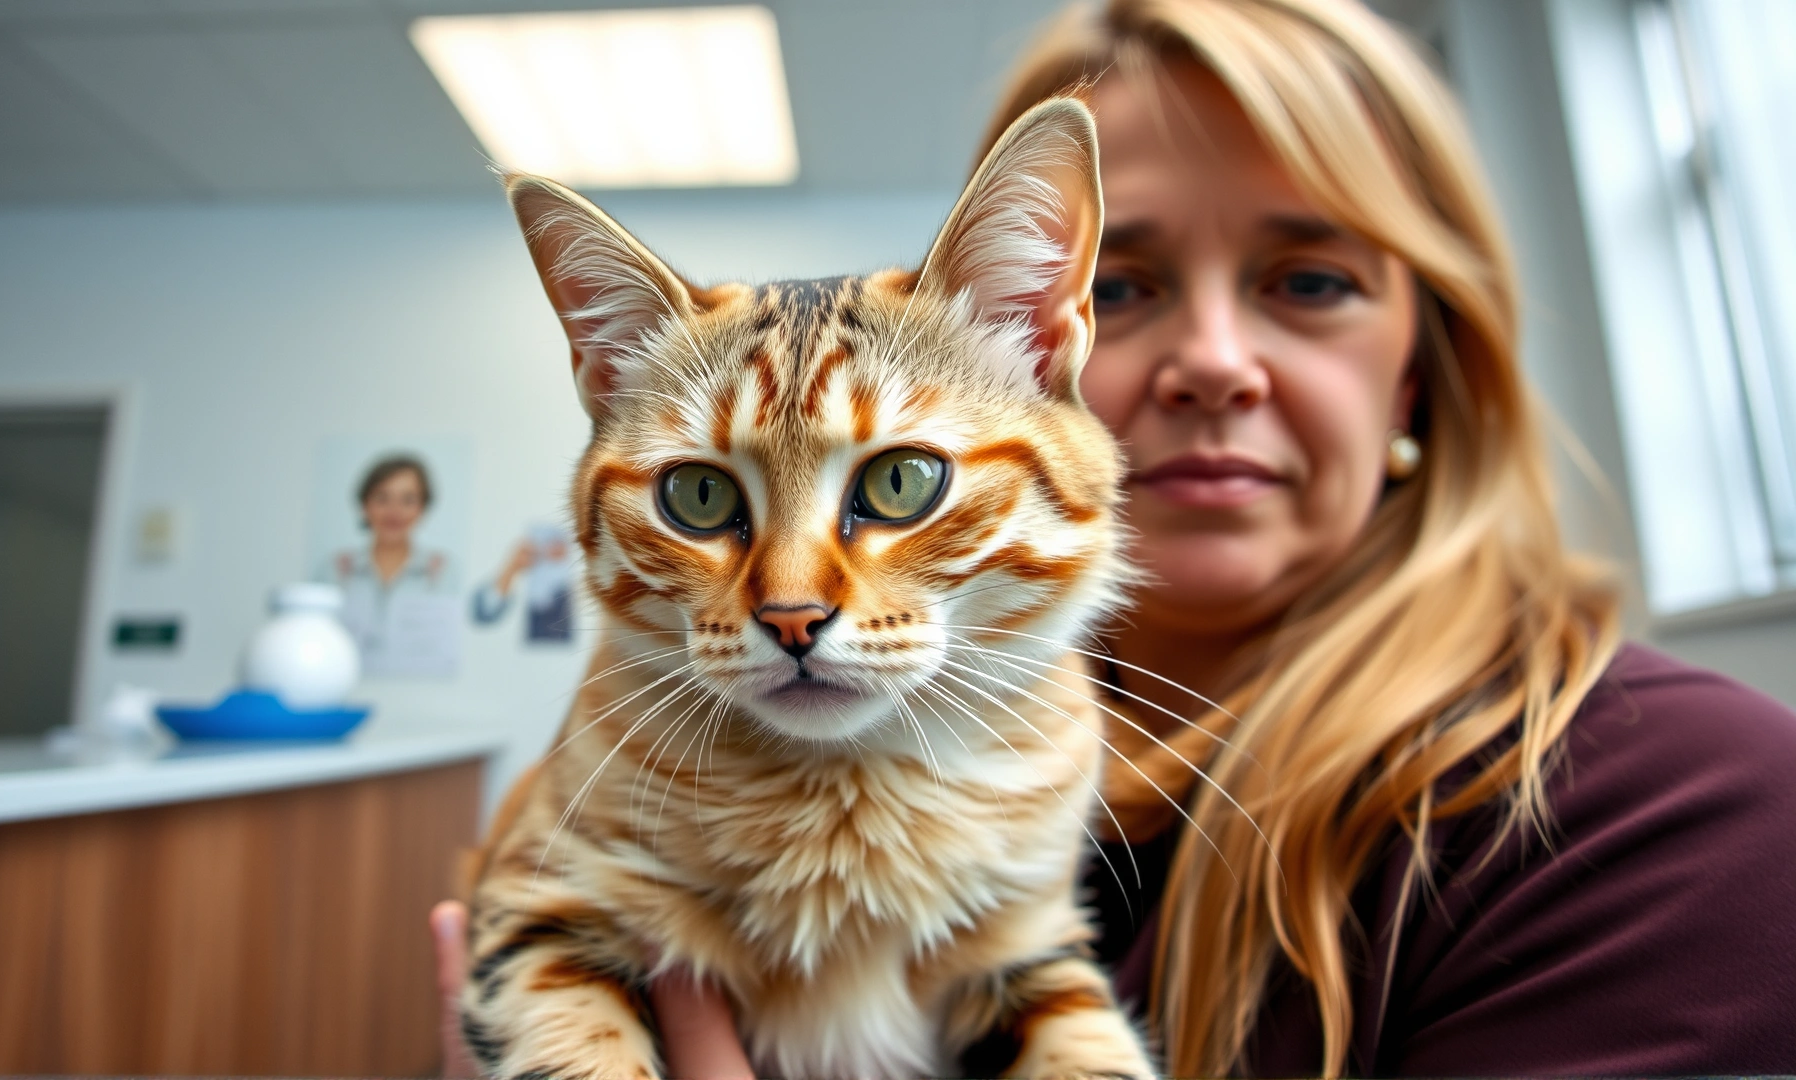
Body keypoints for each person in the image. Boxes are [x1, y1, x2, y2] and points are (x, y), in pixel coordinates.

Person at [432, 0, 1796, 1074]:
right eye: (1129, 281)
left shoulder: (1683, 807)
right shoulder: (680, 741)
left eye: (1308, 279)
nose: (1212, 364)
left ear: (1424, 370)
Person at [322, 453, 459, 677]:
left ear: (422, 508)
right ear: (364, 504)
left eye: (408, 500)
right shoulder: (334, 567)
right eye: (382, 498)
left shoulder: (444, 570)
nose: (394, 511)